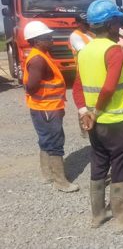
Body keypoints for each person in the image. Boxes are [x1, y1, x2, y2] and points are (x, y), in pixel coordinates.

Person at [73, 0, 123, 233]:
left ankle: (98, 215)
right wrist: (96, 111)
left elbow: (77, 86)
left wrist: (85, 111)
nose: (120, 27)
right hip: (115, 121)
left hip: (94, 123)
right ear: (110, 24)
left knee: (98, 164)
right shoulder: (113, 49)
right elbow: (108, 86)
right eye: (117, 22)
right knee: (120, 166)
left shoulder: (85, 51)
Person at [23, 21, 80, 193]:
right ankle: (60, 181)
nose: (51, 39)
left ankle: (47, 174)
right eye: (47, 37)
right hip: (47, 107)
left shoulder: (40, 54)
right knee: (55, 141)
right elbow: (31, 86)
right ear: (36, 40)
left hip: (45, 106)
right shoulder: (38, 59)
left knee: (46, 139)